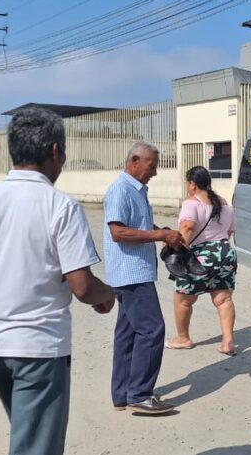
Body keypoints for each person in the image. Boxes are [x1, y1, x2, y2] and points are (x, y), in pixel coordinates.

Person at [0, 107, 116, 455]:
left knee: (27, 434)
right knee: (36, 447)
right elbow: (82, 286)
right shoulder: (60, 206)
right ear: (54, 151)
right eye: (63, 154)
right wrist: (107, 294)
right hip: (38, 350)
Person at [103, 141, 183, 415]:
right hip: (131, 273)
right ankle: (140, 394)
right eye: (152, 166)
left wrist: (163, 232)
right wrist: (159, 235)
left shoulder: (136, 191)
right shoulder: (121, 190)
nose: (155, 172)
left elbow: (138, 226)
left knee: (127, 334)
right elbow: (118, 232)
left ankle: (123, 394)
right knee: (152, 330)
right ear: (135, 161)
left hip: (133, 272)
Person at [165, 166, 238, 355]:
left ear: (192, 184)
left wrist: (178, 249)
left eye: (188, 183)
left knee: (183, 300)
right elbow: (230, 231)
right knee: (223, 299)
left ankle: (183, 338)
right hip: (224, 252)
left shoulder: (191, 203)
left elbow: (188, 227)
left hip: (198, 257)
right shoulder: (224, 204)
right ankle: (228, 342)